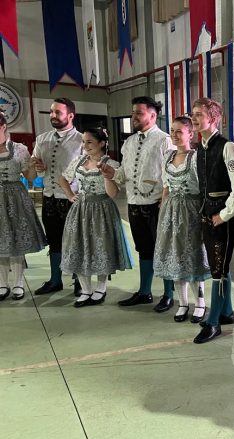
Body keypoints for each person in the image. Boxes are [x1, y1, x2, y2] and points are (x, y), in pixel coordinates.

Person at [100, 96, 176, 312]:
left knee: (163, 250)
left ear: (153, 115)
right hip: (134, 203)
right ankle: (144, 292)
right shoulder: (129, 142)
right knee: (143, 249)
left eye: (139, 113)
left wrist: (166, 199)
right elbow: (124, 173)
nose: (134, 116)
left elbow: (171, 173)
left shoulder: (164, 140)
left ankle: (169, 295)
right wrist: (112, 173)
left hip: (156, 205)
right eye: (133, 112)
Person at [190, 97, 234, 344]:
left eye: (199, 114)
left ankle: (213, 322)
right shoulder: (200, 149)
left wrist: (223, 215)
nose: (194, 118)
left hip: (222, 218)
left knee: (218, 270)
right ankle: (227, 312)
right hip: (207, 214)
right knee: (216, 265)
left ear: (214, 118)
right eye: (193, 114)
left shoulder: (228, 147)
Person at [59, 128, 132, 306]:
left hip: (102, 209)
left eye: (90, 142)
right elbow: (62, 179)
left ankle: (100, 288)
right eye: (83, 142)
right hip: (81, 209)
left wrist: (107, 176)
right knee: (78, 246)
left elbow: (113, 193)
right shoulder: (78, 161)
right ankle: (85, 290)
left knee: (101, 247)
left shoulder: (111, 164)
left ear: (101, 143)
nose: (85, 145)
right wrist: (70, 195)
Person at [152, 115, 209, 323]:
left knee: (192, 256)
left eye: (179, 131)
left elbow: (204, 189)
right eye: (172, 131)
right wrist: (163, 213)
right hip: (171, 211)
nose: (174, 135)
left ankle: (200, 303)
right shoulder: (168, 156)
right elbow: (166, 187)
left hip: (191, 211)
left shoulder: (196, 157)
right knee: (175, 257)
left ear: (190, 134)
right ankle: (183, 303)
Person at [28, 98, 82, 296]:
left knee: (75, 241)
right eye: (51, 112)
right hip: (49, 197)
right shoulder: (42, 139)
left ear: (70, 115)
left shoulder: (81, 140)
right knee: (54, 241)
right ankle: (55, 280)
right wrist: (39, 167)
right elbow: (35, 170)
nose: (53, 115)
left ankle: (80, 280)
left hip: (72, 199)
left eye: (58, 112)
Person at [0, 111, 47, 301]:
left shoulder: (19, 149)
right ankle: (2, 284)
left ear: (3, 126)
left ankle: (18, 283)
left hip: (16, 199)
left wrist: (35, 166)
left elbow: (30, 177)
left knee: (17, 240)